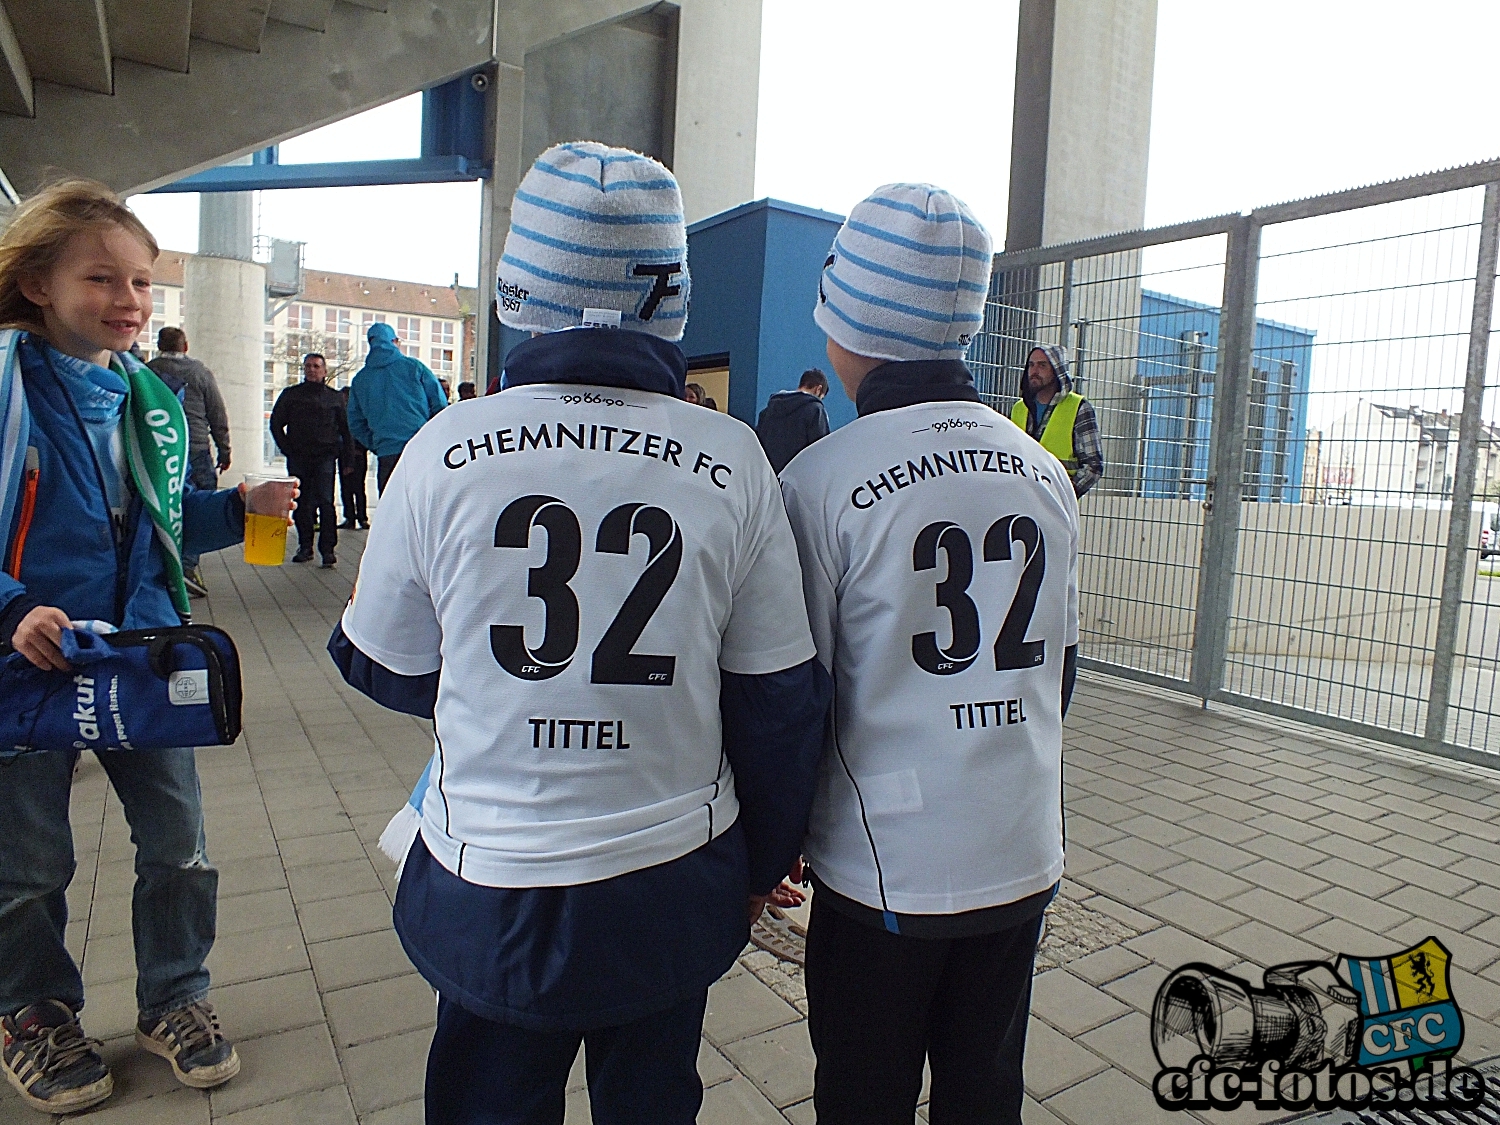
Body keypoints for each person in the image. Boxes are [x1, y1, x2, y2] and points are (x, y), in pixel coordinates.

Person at [329, 141, 829, 1125]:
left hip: (489, 891)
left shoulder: (443, 448)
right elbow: (780, 703)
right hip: (672, 886)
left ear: (520, 291)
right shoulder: (730, 457)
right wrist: (759, 863)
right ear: (671, 301)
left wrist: (507, 694)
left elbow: (380, 663)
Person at [779, 184, 1080, 1125]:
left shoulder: (822, 478)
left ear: (847, 324)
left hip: (889, 869)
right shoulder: (1041, 470)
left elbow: (796, 695)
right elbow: (1057, 674)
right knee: (985, 1090)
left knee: (864, 1093)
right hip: (1020, 846)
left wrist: (775, 837)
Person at [0, 180, 293, 1112]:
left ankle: (175, 997)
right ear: (38, 282)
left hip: (143, 655)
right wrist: (13, 607)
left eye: (141, 281)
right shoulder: (5, 390)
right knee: (30, 862)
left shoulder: (145, 396)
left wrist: (233, 510)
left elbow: (159, 525)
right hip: (24, 667)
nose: (130, 299)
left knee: (182, 842)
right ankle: (33, 1012)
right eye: (103, 278)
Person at [147, 326, 232, 596]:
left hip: (161, 448)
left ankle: (166, 563)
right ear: (185, 346)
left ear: (159, 345)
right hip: (196, 447)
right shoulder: (200, 373)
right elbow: (216, 413)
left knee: (165, 504)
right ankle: (186, 566)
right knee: (201, 504)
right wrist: (224, 449)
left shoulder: (146, 371)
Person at [346, 322, 446, 493]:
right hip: (419, 449)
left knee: (391, 511)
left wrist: (377, 443)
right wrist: (429, 436)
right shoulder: (414, 367)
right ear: (394, 341)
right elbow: (440, 406)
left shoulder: (360, 379)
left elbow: (355, 423)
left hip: (386, 453)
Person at [270, 353, 349, 567]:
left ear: (324, 370)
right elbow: (276, 425)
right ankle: (305, 546)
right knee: (302, 503)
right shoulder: (291, 395)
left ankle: (328, 550)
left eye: (316, 366)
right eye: (308, 366)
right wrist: (287, 449)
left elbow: (345, 430)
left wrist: (346, 459)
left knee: (326, 502)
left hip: (324, 457)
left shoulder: (334, 398)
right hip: (299, 457)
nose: (312, 370)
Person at [1012, 344, 1103, 498]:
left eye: (1042, 365)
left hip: (1056, 507)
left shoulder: (1079, 408)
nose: (1034, 371)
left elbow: (1093, 466)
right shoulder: (1019, 408)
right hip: (1020, 500)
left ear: (1057, 370)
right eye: (1031, 365)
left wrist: (1063, 496)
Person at [756, 368, 831, 474]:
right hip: (799, 482)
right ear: (818, 389)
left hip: (769, 480)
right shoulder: (815, 410)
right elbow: (821, 453)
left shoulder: (767, 411)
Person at [335, 386, 368, 530]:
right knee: (346, 489)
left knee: (358, 488)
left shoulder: (358, 415)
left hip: (358, 455)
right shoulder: (339, 415)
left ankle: (361, 517)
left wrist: (360, 449)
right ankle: (350, 517)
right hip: (344, 455)